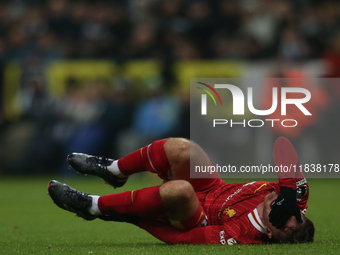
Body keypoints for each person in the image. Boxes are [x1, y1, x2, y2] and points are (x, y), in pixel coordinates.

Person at [47, 136, 315, 245]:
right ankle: (115, 170)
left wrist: (137, 218)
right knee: (183, 148)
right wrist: (290, 193)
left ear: (270, 231)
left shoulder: (241, 235)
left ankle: (91, 206)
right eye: (295, 214)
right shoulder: (294, 198)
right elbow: (282, 144)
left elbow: (183, 240)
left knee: (180, 190)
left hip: (195, 214)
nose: (280, 208)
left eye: (281, 221)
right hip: (213, 186)